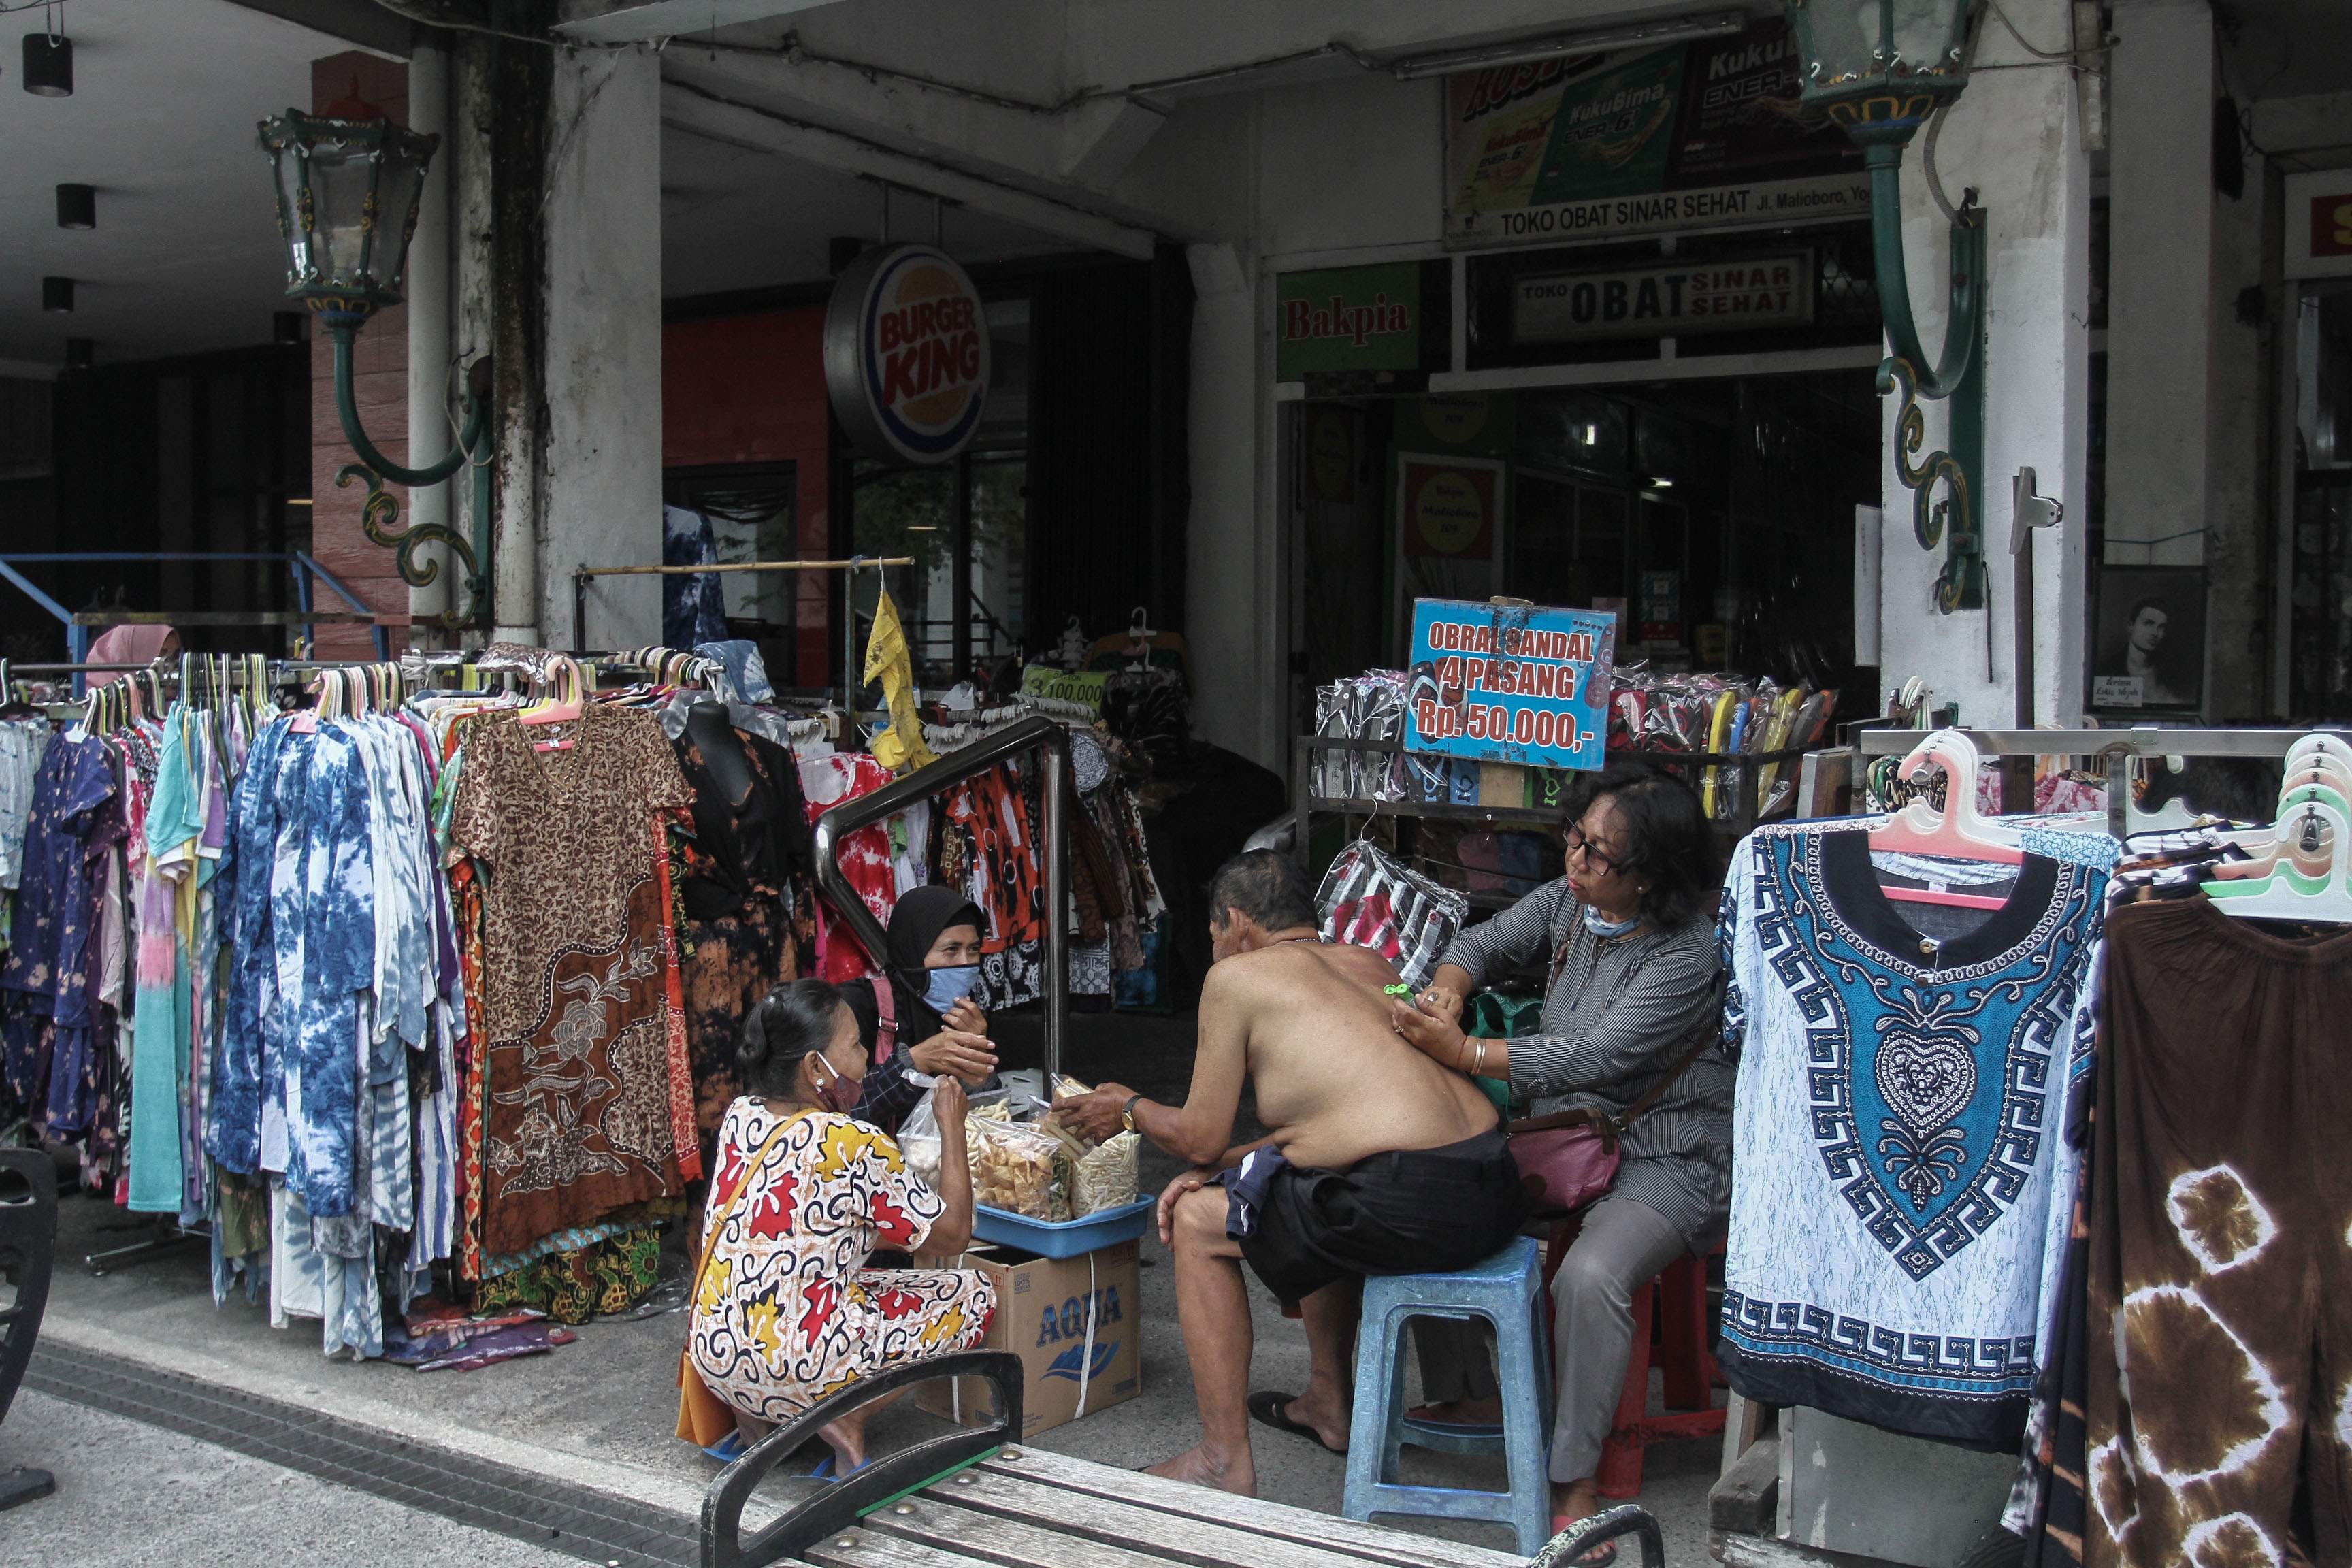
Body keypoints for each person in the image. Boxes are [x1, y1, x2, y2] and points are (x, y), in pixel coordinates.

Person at [1055, 850, 1523, 1497]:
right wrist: (1233, 1168)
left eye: (1214, 933)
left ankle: (1222, 1460)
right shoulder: (1377, 967)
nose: (1215, 948)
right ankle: (1329, 1402)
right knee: (1304, 1186)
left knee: (1195, 1220)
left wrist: (1127, 1107)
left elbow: (1198, 1135)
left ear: (1238, 922)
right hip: (1493, 1184)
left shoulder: (1237, 979)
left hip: (1409, 1203)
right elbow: (1335, 1129)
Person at [1390, 757, 1727, 1555]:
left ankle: (1577, 1481)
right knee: (1416, 1188)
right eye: (1576, 837)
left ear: (1651, 877)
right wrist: (1448, 988)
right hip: (1569, 1136)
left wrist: (1468, 1051)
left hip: (1669, 1152)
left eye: (1601, 854)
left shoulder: (1686, 955)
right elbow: (1483, 939)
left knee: (1589, 1277)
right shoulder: (1572, 904)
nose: (1576, 860)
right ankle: (1472, 1394)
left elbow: (1601, 1056)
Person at [685, 978, 996, 1473]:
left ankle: (755, 1418)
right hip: (802, 1367)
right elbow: (954, 1233)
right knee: (975, 1292)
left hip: (716, 1361)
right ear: (815, 1068)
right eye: (854, 1046)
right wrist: (951, 1124)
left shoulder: (741, 1116)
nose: (868, 1060)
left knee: (822, 1280)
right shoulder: (851, 1142)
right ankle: (846, 1416)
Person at [839, 885, 999, 1133]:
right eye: (951, 950)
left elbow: (993, 1124)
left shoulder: (967, 1015)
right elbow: (836, 1114)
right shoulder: (856, 1007)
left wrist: (976, 1063)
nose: (966, 963)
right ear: (912, 950)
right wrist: (914, 1062)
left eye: (974, 950)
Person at [84, 623, 179, 684]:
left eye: (175, 656)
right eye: (162, 655)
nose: (173, 668)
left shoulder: (179, 710)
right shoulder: (101, 705)